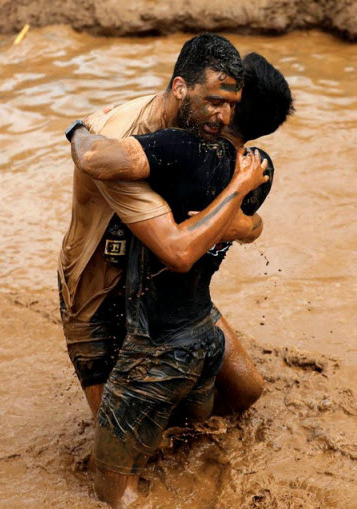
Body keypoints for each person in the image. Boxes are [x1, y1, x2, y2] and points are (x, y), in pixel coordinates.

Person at [68, 52, 293, 508]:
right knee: (204, 421)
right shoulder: (260, 168)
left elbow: (99, 157)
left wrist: (78, 128)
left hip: (155, 351)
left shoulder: (181, 151)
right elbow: (249, 226)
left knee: (115, 490)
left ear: (232, 105)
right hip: (205, 335)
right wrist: (241, 220)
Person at [58, 35, 268, 421]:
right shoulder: (123, 145)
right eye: (215, 102)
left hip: (160, 289)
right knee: (122, 431)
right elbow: (179, 250)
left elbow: (244, 226)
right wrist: (79, 132)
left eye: (231, 106)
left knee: (246, 391)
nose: (223, 118)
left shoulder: (201, 133)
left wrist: (247, 223)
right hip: (97, 290)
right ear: (180, 88)